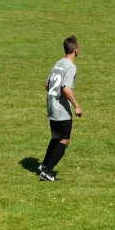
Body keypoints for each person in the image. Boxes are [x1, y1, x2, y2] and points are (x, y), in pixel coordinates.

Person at [39, 35, 83, 181]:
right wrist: (77, 106)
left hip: (51, 105)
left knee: (56, 137)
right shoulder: (70, 67)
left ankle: (44, 165)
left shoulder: (58, 63)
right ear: (76, 51)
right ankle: (48, 171)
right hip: (61, 109)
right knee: (64, 140)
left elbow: (47, 84)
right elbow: (66, 89)